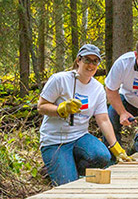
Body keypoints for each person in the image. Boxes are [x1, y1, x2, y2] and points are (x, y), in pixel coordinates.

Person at [37, 44, 132, 186]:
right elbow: (41, 106)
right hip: (55, 140)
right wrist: (60, 110)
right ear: (78, 60)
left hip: (79, 137)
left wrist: (116, 148)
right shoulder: (60, 79)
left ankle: (69, 165)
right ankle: (59, 166)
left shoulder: (98, 88)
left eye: (95, 61)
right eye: (87, 60)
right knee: (68, 185)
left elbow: (104, 120)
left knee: (103, 156)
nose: (91, 65)